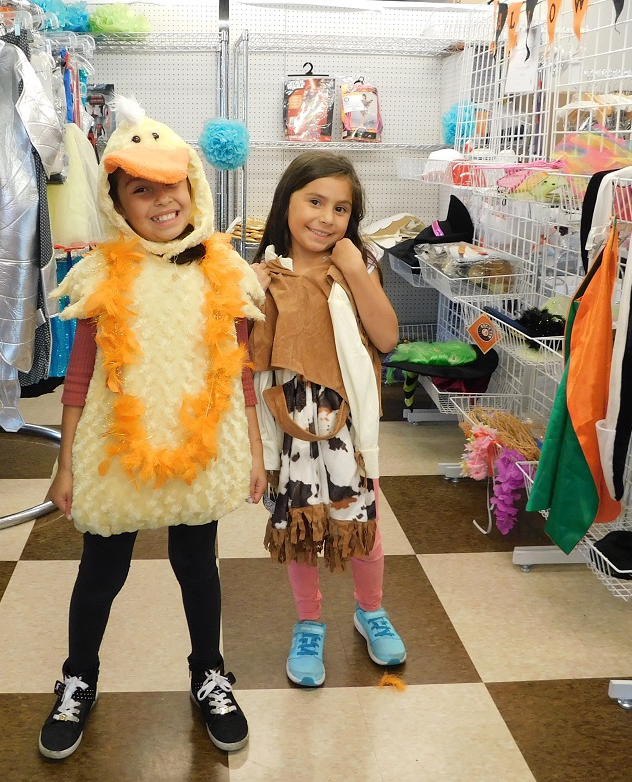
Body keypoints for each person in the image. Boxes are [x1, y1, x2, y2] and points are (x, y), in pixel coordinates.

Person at [39, 97, 266, 760]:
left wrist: (253, 449)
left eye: (173, 185)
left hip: (201, 443)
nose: (163, 201)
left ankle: (209, 673)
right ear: (117, 204)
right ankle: (79, 676)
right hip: (116, 446)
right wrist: (65, 463)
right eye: (142, 189)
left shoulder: (227, 274)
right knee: (102, 568)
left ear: (193, 187)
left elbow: (240, 372)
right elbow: (79, 377)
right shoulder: (103, 276)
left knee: (198, 565)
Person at [248, 151, 404, 688]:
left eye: (341, 208)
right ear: (285, 202)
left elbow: (386, 337)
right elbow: (242, 367)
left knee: (364, 525)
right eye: (314, 201)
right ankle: (309, 623)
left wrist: (356, 269)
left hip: (348, 431)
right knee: (301, 527)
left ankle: (370, 611)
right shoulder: (261, 274)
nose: (326, 217)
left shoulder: (353, 270)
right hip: (287, 431)